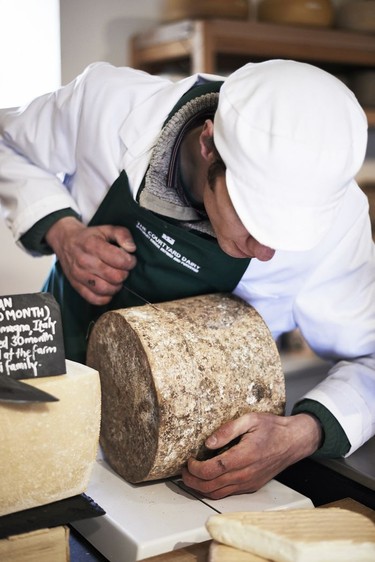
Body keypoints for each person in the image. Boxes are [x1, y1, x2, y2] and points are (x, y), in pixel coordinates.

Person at [0, 59, 374, 500]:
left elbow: (370, 358)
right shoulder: (107, 103)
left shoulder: (341, 220)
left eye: (288, 238)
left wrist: (303, 433)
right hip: (48, 382)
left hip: (186, 458)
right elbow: (8, 142)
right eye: (253, 224)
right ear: (209, 144)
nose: (267, 252)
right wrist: (63, 231)